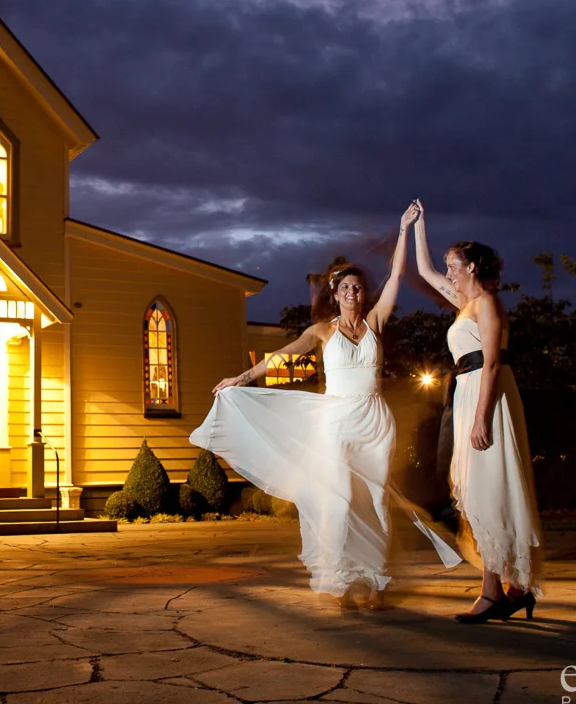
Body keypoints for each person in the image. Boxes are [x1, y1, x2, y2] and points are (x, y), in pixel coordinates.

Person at [192, 203, 460, 610]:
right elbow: (281, 356)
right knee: (338, 500)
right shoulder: (320, 331)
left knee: (373, 498)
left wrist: (404, 229)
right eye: (346, 288)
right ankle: (339, 579)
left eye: (358, 288)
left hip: (373, 421)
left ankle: (376, 581)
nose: (354, 293)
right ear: (334, 295)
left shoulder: (376, 322)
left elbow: (396, 278)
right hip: (336, 421)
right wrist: (240, 378)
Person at [410, 200, 544, 622]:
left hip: (487, 397)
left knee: (489, 491)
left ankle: (494, 592)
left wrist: (482, 417)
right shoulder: (463, 304)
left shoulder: (487, 303)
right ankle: (514, 589)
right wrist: (416, 225)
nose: (448, 272)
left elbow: (490, 362)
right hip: (466, 395)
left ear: (472, 267)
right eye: (449, 265)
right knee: (473, 492)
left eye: (454, 265)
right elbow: (425, 270)